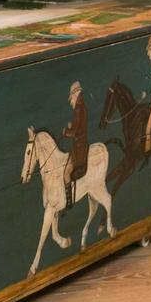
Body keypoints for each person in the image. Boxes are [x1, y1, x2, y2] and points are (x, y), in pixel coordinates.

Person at [62, 81, 88, 209]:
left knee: (66, 172)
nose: (71, 100)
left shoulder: (78, 108)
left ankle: (68, 202)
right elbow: (79, 126)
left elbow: (74, 132)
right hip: (80, 144)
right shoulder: (81, 106)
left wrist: (66, 131)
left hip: (79, 147)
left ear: (75, 94)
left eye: (71, 97)